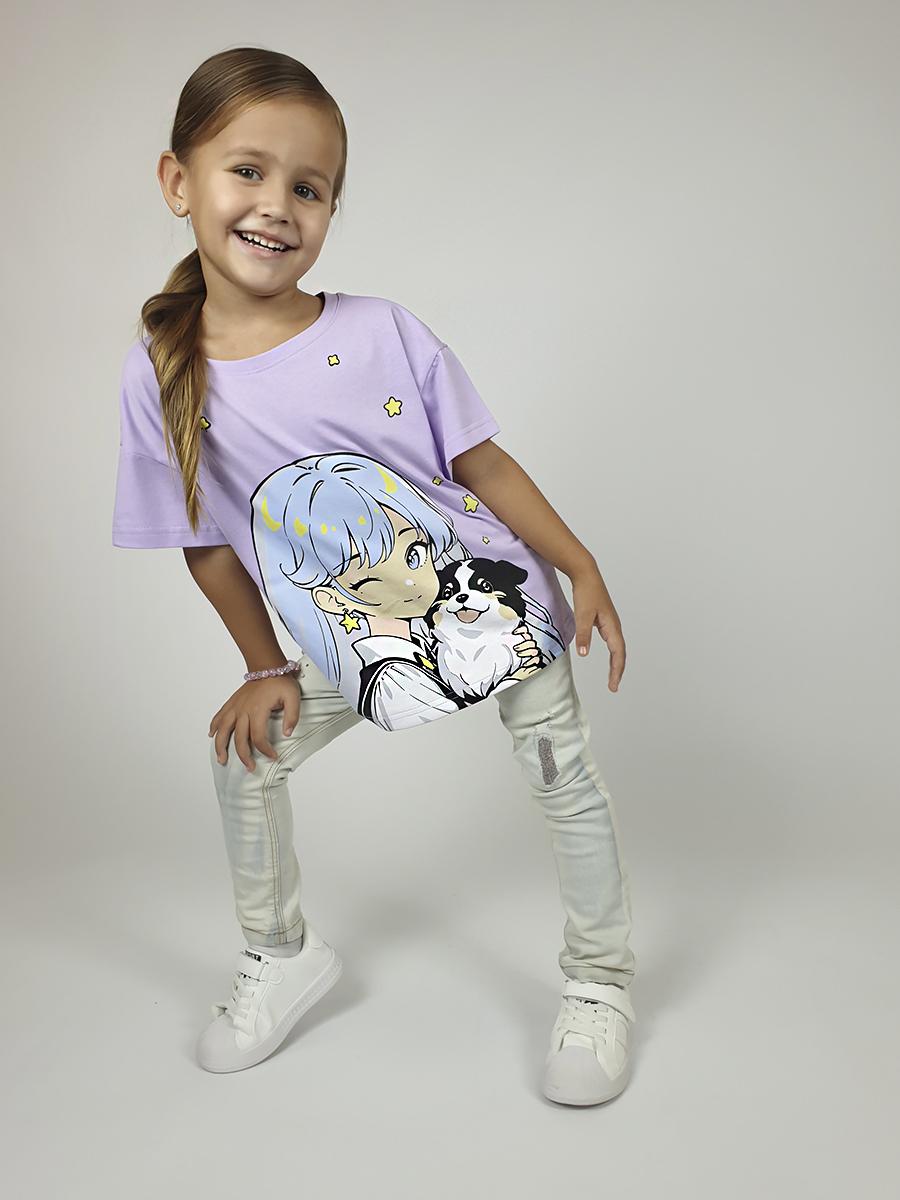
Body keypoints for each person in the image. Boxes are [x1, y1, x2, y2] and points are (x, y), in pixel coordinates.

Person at [111, 46, 637, 1105]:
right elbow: (205, 544)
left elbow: (482, 465)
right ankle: (283, 954)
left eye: (309, 187)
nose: (277, 204)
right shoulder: (163, 374)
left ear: (329, 210)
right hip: (363, 633)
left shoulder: (382, 331)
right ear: (178, 182)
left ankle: (601, 980)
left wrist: (578, 563)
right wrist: (265, 668)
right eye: (248, 171)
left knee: (560, 774)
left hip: (496, 597)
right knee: (244, 762)